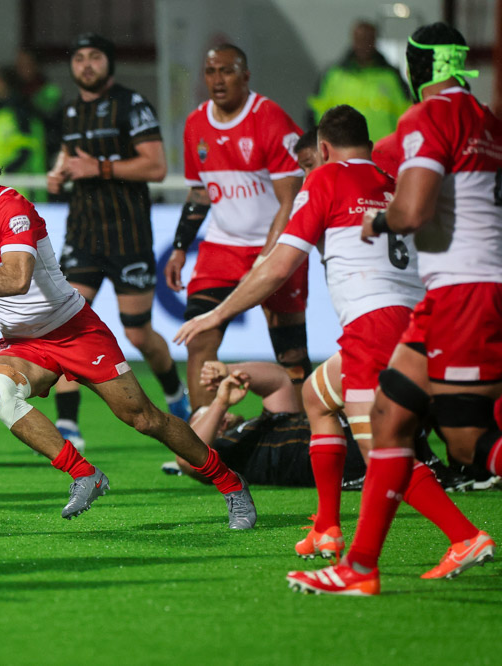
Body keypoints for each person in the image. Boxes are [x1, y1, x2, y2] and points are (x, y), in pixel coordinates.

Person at [177, 104, 484, 567]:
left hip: (371, 327)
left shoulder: (324, 179)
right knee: (317, 398)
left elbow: (279, 267)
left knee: (384, 453)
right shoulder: (394, 180)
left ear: (322, 149)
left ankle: (463, 536)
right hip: (418, 321)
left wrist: (216, 314)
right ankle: (326, 525)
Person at [0, 137, 256, 528]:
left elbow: (16, 277)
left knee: (144, 419)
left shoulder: (12, 207)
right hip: (22, 342)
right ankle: (84, 474)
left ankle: (230, 484)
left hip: (73, 329)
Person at [287, 23, 500, 596]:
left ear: (416, 68)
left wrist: (377, 220)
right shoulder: (489, 122)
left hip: (462, 292)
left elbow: (410, 212)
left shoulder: (426, 119)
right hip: (442, 298)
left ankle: (456, 535)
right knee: (387, 418)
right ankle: (354, 562)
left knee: (466, 443)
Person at [46, 33, 188, 451]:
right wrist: (59, 173)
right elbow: (69, 153)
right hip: (83, 235)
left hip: (128, 235)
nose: (86, 65)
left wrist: (99, 167)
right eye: (80, 58)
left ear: (109, 63)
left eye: (95, 58)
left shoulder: (133, 105)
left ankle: (176, 395)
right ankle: (69, 424)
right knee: (67, 324)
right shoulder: (70, 109)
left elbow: (157, 166)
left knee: (139, 333)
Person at [168, 43, 309, 411]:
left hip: (279, 247)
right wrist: (181, 246)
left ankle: (299, 437)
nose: (218, 79)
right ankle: (202, 448)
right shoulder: (196, 123)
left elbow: (289, 200)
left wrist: (268, 257)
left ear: (245, 76)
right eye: (211, 71)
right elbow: (199, 194)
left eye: (227, 71)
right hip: (223, 247)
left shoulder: (269, 117)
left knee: (291, 352)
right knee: (200, 338)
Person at [175, 361, 366, 488]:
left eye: (210, 412)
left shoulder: (265, 421)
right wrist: (219, 404)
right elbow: (187, 459)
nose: (218, 418)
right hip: (344, 459)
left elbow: (280, 381)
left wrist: (228, 371)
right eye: (203, 419)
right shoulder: (225, 458)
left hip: (344, 427)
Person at [307, 20, 411, 141]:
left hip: (383, 152)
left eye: (368, 39)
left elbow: (407, 114)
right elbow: (315, 114)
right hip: (341, 150)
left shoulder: (391, 77)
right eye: (360, 39)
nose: (363, 44)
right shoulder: (334, 75)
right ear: (353, 40)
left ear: (375, 41)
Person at [0, 66, 48, 179]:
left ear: (4, 83)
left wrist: (8, 170)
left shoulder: (20, 112)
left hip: (15, 181)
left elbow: (27, 147)